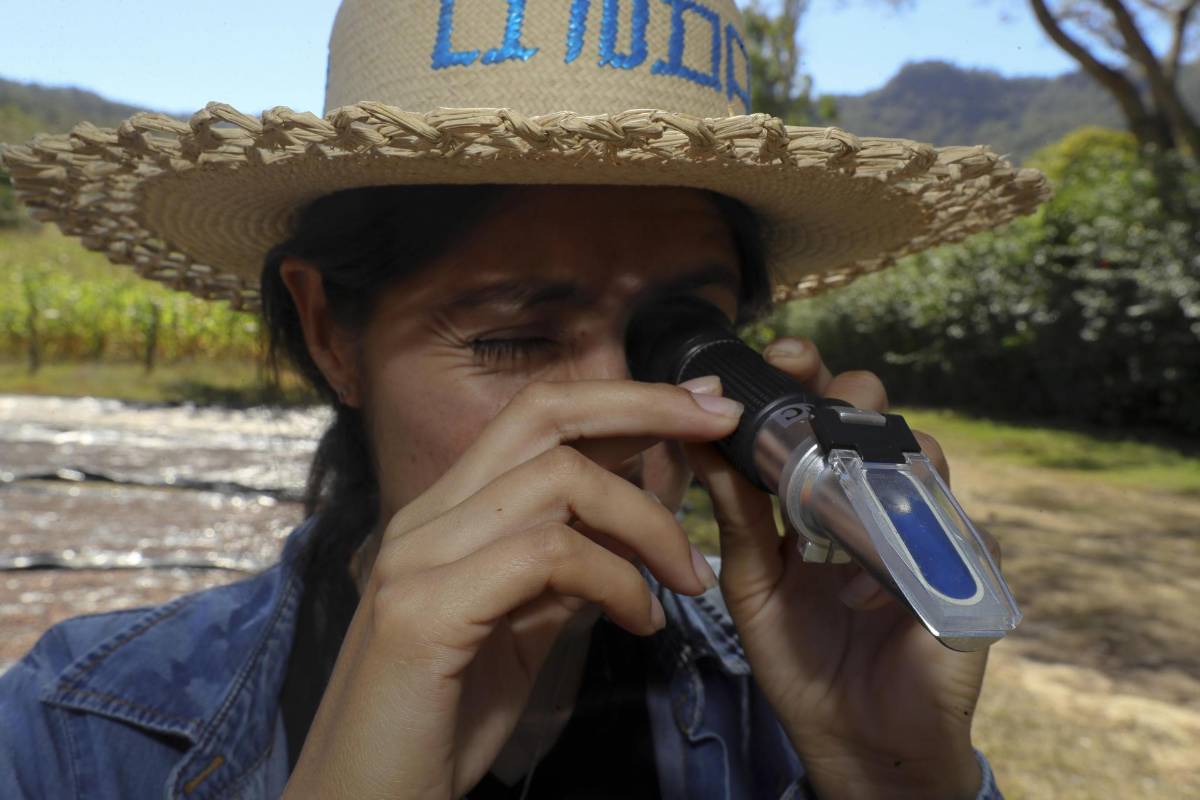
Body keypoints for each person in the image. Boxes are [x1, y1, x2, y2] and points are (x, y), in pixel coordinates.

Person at [0, 1, 1050, 797]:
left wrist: (896, 771)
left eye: (681, 341)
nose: (613, 421)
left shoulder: (790, 711)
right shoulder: (66, 737)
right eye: (511, 338)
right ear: (330, 331)